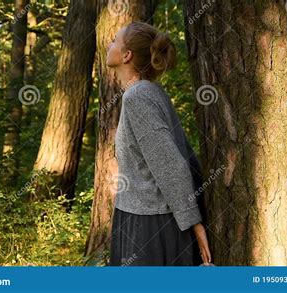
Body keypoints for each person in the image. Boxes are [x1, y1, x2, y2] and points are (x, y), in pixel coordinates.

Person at [106, 21, 212, 266]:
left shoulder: (138, 97)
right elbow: (186, 155)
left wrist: (195, 224)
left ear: (126, 55)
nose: (109, 45)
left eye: (115, 41)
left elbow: (171, 165)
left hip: (150, 227)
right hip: (145, 217)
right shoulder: (150, 92)